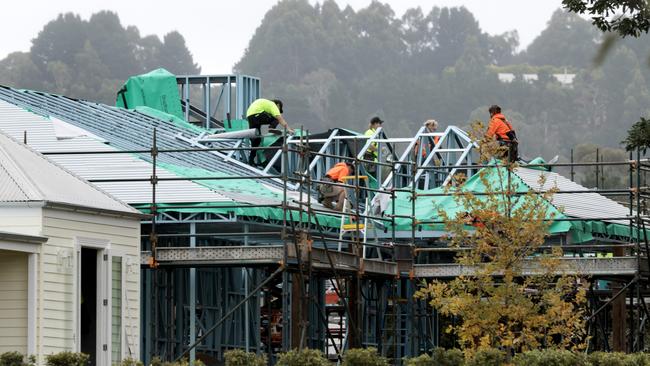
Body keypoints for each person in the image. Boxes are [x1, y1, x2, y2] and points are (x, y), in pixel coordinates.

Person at [246, 98, 294, 165]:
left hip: (250, 116)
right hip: (257, 114)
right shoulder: (273, 105)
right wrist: (288, 129)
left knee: (256, 140)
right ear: (277, 105)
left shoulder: (265, 104)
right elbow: (280, 119)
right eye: (279, 109)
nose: (278, 111)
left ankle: (251, 160)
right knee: (276, 118)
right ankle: (271, 128)